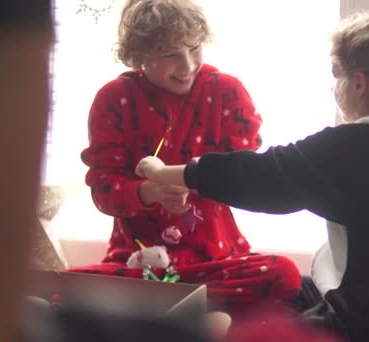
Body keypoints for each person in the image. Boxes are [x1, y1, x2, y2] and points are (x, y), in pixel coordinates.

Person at [135, 9, 369, 342]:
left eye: (337, 75)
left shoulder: (353, 146)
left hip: (361, 329)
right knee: (299, 288)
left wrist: (166, 174)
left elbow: (260, 176)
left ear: (359, 83)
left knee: (259, 327)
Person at [70, 0, 301, 315]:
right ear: (139, 56)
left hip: (218, 263)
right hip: (138, 266)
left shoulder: (226, 92)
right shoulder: (114, 99)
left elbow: (246, 174)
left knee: (284, 274)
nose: (188, 65)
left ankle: (162, 311)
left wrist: (188, 181)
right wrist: (151, 191)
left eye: (195, 48)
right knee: (63, 287)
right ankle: (178, 311)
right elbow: (104, 192)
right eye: (170, 55)